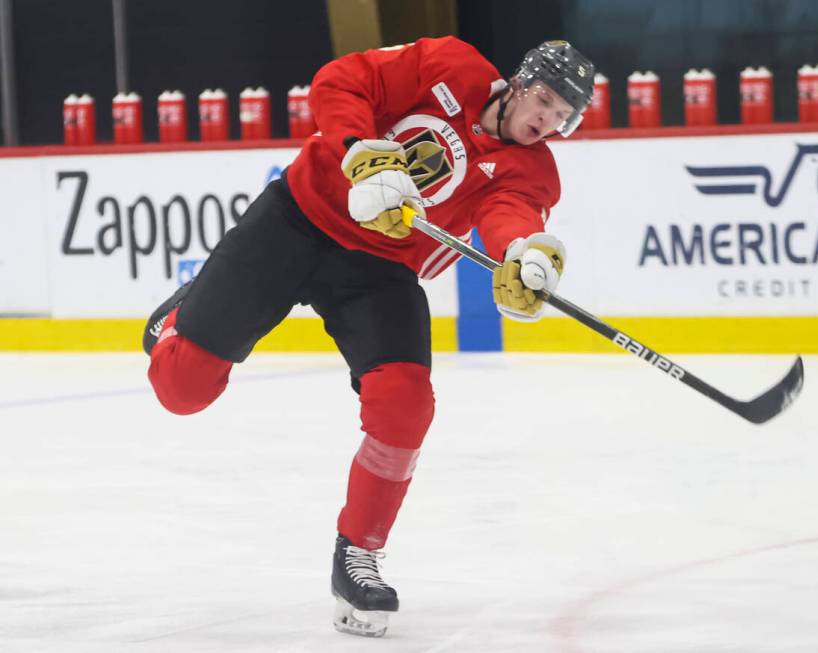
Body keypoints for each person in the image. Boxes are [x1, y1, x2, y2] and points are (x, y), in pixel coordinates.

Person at [142, 36, 594, 637]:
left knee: (407, 405)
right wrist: (364, 153)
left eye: (562, 116)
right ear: (517, 83)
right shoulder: (447, 63)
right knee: (181, 389)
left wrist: (524, 254)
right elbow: (341, 80)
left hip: (378, 271)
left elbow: (512, 213)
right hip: (295, 219)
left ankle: (359, 554)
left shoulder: (532, 170)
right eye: (543, 100)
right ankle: (181, 319)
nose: (546, 121)